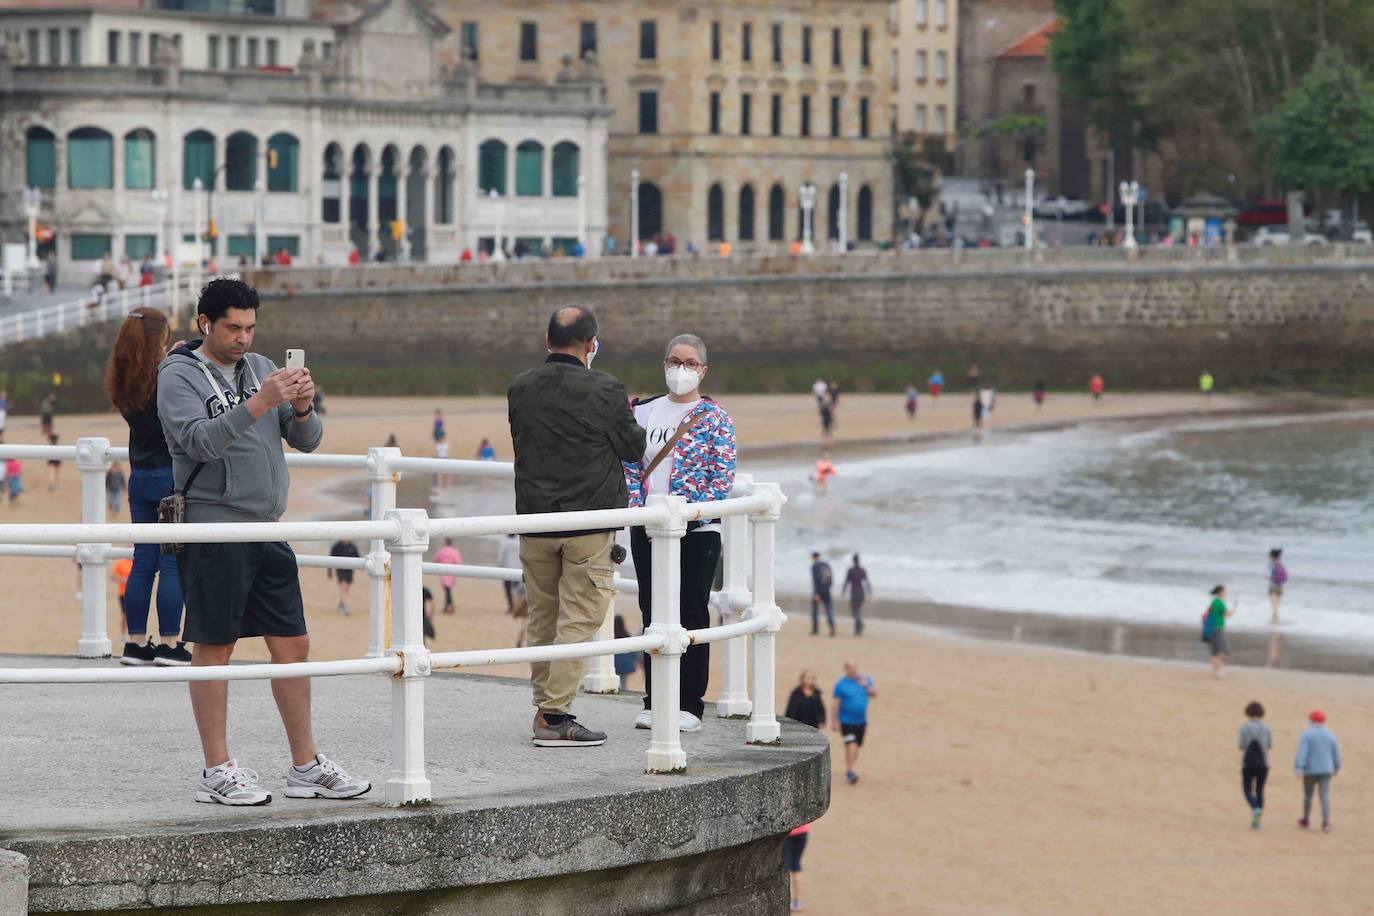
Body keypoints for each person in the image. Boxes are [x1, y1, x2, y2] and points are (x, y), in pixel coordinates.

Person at [157, 276, 369, 805]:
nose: (243, 339)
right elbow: (196, 442)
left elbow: (308, 442)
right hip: (213, 524)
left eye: (251, 328)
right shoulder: (178, 376)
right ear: (205, 322)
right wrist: (258, 404)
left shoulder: (261, 367)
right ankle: (216, 769)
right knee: (215, 646)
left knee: (293, 643)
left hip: (266, 525)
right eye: (233, 328)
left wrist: (300, 405)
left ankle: (306, 765)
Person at [508, 305, 645, 747]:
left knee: (543, 615)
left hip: (534, 519)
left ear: (548, 341)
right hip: (587, 520)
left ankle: (544, 706)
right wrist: (626, 414)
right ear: (591, 345)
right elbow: (631, 447)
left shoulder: (521, 388)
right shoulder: (605, 388)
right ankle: (554, 716)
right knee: (581, 617)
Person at [623, 333, 737, 732]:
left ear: (703, 370)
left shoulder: (716, 418)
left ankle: (690, 703)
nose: (681, 369)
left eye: (690, 363)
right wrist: (643, 511)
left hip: (698, 529)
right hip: (648, 527)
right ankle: (655, 699)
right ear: (664, 364)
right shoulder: (641, 412)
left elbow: (720, 479)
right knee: (652, 610)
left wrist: (682, 514)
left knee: (691, 610)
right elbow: (629, 468)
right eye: (674, 361)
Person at [107, 307, 190, 666]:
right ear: (160, 339)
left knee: (143, 562)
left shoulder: (123, 378)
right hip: (168, 476)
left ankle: (135, 642)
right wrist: (176, 360)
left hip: (139, 476)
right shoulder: (164, 374)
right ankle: (171, 643)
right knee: (171, 561)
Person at [1294, 710, 1341, 833]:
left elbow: (1302, 753)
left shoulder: (1307, 734)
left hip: (1310, 770)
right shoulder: (1330, 734)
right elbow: (1336, 753)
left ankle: (1305, 819)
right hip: (1327, 769)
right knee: (1324, 796)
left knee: (1308, 795)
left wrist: (1299, 767)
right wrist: (1336, 767)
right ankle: (1326, 823)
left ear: (1313, 720)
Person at [833, 660, 876, 784]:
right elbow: (836, 704)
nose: (852, 670)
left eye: (854, 667)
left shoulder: (865, 680)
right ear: (846, 669)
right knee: (851, 744)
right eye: (849, 667)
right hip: (846, 720)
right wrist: (834, 721)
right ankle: (851, 771)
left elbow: (874, 694)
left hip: (861, 721)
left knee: (856, 746)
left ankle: (850, 767)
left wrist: (866, 686)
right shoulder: (841, 684)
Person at [1239, 700, 1272, 830]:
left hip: (1248, 762)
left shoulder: (1244, 727)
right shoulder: (1267, 727)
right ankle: (1257, 820)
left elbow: (1241, 745)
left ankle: (1255, 807)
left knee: (1247, 789)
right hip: (1263, 762)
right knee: (1260, 790)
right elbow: (1269, 745)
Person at [1201, 584, 1234, 678]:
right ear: (1221, 592)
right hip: (1218, 628)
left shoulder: (1214, 602)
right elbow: (1227, 615)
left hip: (1211, 627)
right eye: (1224, 592)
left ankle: (1214, 671)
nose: (1225, 593)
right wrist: (1233, 609)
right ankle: (1218, 671)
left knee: (1214, 651)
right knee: (1219, 650)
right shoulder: (1220, 602)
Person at [327, 539, 360, 615]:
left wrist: (363, 569)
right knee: (343, 586)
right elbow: (330, 559)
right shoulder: (336, 546)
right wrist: (329, 571)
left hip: (350, 571)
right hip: (340, 570)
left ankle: (342, 603)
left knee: (347, 588)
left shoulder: (352, 546)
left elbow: (358, 557)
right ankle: (343, 605)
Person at [783, 823, 810, 912]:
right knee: (796, 865)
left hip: (788, 833)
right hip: (803, 832)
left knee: (787, 866)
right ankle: (797, 902)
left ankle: (787, 900)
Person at [842, 554, 871, 636]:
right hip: (862, 593)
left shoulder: (850, 570)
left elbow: (846, 582)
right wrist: (869, 593)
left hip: (854, 592)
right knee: (857, 611)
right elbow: (867, 582)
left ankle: (858, 627)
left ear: (853, 561)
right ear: (859, 561)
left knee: (855, 611)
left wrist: (843, 592)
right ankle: (859, 628)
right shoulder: (862, 570)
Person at [433, 538, 462, 614]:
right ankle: (448, 606)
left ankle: (449, 606)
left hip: (443, 572)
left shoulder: (441, 550)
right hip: (452, 572)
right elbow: (458, 562)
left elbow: (436, 560)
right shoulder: (455, 551)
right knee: (448, 590)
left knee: (447, 590)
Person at [810, 552, 835, 636]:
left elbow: (815, 581)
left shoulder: (814, 566)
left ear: (813, 557)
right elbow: (831, 578)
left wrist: (816, 593)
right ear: (819, 556)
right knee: (829, 611)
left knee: (815, 611)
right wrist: (828, 587)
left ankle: (815, 629)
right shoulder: (826, 565)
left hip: (818, 591)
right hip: (827, 590)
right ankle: (832, 628)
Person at [613, 614, 639, 692]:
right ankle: (623, 690)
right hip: (626, 664)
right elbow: (633, 652)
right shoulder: (627, 635)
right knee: (624, 681)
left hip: (616, 664)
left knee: (618, 680)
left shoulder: (613, 637)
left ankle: (618, 690)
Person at [496, 531, 521, 613]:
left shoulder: (504, 542)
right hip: (518, 569)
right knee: (517, 590)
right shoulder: (519, 542)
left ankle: (511, 606)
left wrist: (500, 568)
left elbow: (500, 558)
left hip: (507, 569)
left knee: (508, 589)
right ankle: (518, 606)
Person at [111, 556, 134, 626]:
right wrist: (123, 580)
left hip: (135, 593)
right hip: (123, 593)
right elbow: (113, 576)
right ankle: (123, 634)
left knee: (134, 614)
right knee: (124, 615)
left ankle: (131, 633)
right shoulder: (121, 562)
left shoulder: (136, 562)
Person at [1268, 548, 1287, 625]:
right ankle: (1274, 617)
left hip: (1273, 585)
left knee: (1274, 603)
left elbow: (1270, 575)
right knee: (1277, 602)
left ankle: (1277, 618)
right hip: (1280, 586)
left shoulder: (1271, 564)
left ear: (1272, 556)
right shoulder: (1280, 564)